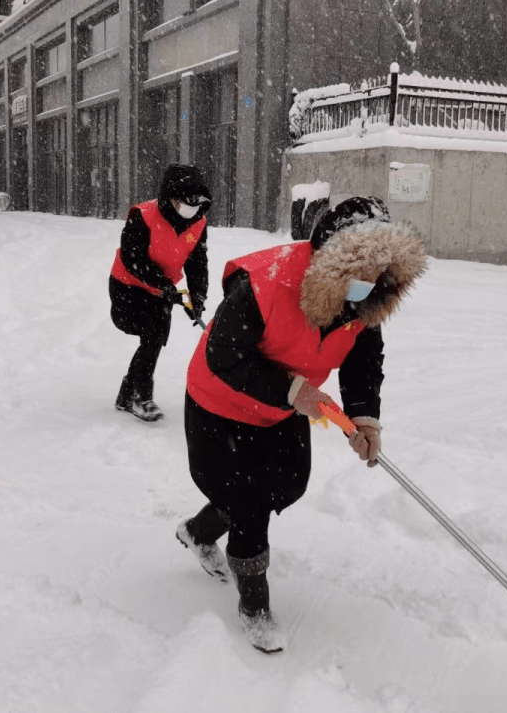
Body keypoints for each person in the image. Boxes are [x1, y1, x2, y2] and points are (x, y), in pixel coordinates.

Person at [175, 196, 426, 653]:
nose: (367, 286)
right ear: (330, 263)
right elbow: (223, 355)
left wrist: (365, 418)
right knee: (249, 502)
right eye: (359, 274)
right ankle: (253, 603)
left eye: (377, 274)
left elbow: (363, 360)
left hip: (286, 404)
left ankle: (197, 531)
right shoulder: (266, 284)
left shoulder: (366, 298)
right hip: (221, 402)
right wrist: (291, 390)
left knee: (287, 484)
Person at [109, 164, 211, 421]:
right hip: (127, 287)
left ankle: (133, 395)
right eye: (187, 202)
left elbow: (197, 263)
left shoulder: (197, 223)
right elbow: (134, 260)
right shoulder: (143, 216)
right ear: (171, 198)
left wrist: (197, 297)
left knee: (156, 335)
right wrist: (163, 285)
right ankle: (135, 396)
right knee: (152, 333)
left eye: (197, 203)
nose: (193, 208)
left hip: (161, 291)